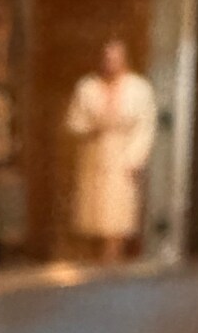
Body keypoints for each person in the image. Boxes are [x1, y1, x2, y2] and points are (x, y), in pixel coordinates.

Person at [65, 38, 157, 261]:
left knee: (118, 210)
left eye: (116, 58)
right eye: (107, 58)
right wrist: (92, 126)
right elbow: (74, 122)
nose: (111, 63)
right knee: (92, 209)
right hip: (94, 151)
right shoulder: (88, 87)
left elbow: (145, 126)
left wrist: (135, 158)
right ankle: (92, 256)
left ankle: (114, 254)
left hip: (122, 154)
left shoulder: (138, 88)